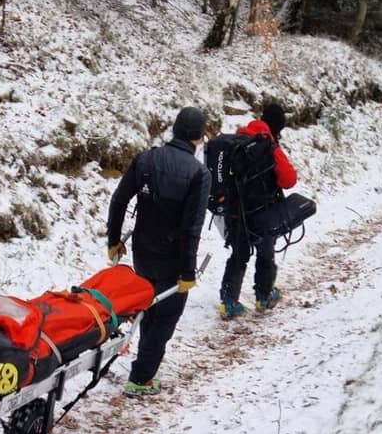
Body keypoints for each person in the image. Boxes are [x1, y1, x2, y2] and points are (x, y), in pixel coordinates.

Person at [106, 106, 211, 397]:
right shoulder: (199, 174)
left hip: (143, 250)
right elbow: (192, 227)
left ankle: (141, 365)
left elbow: (119, 200)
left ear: (175, 130)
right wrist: (188, 271)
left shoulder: (147, 159)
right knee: (165, 316)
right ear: (199, 137)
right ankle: (140, 378)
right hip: (173, 257)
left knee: (150, 303)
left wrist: (113, 240)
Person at [219, 102, 298, 318]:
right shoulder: (269, 146)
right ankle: (264, 297)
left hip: (235, 212)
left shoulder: (236, 141)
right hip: (262, 211)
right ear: (277, 128)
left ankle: (228, 301)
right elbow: (289, 179)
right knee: (265, 253)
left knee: (238, 255)